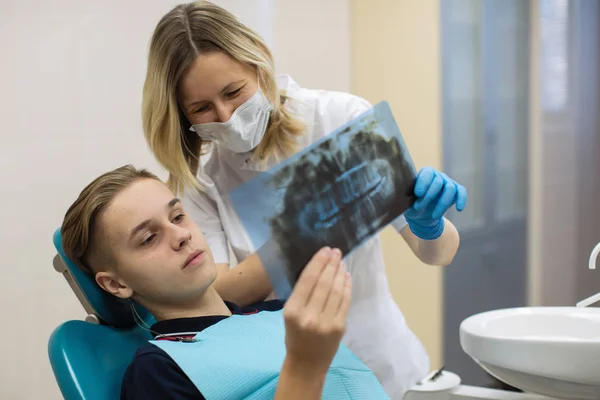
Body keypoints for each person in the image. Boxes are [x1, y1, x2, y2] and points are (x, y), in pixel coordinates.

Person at [141, 2, 468, 398]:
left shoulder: (340, 118)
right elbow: (221, 292)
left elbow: (436, 254)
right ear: (181, 113)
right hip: (289, 376)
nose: (225, 116)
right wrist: (313, 224)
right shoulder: (200, 181)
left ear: (258, 65)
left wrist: (428, 224)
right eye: (201, 108)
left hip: (383, 361)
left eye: (233, 92)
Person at [60, 165, 392, 400]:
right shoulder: (159, 371)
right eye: (149, 238)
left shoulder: (283, 313)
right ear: (116, 285)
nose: (181, 235)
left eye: (177, 216)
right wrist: (304, 368)